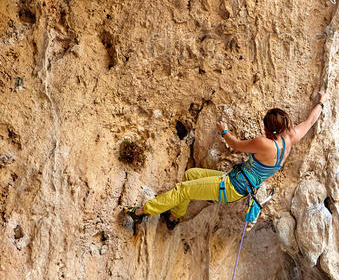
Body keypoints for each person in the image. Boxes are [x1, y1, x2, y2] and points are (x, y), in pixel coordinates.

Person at [123, 92, 326, 231]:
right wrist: (321, 102)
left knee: (183, 189)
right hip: (235, 183)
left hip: (229, 186)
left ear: (267, 129)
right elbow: (310, 120)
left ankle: (142, 212)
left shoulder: (264, 144)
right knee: (190, 176)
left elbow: (235, 144)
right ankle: (174, 217)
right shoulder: (289, 140)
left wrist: (224, 131)